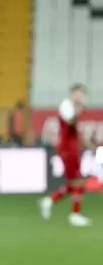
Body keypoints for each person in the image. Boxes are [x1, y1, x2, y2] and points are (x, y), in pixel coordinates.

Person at [39, 83, 92, 227]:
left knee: (73, 183)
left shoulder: (73, 107)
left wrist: (84, 142)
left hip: (73, 149)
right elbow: (70, 121)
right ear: (73, 93)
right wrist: (79, 107)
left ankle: (49, 201)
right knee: (78, 181)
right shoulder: (66, 105)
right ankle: (75, 215)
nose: (81, 97)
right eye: (79, 94)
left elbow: (74, 129)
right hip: (67, 150)